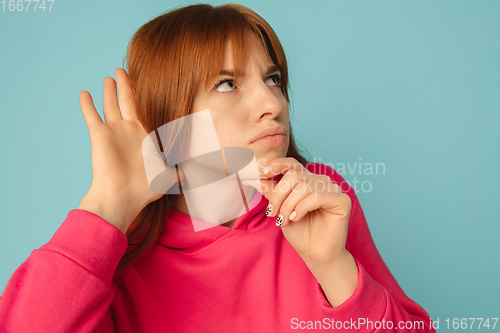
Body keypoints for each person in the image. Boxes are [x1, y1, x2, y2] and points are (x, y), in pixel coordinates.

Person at [0, 3, 435, 332]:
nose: (273, 104)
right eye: (227, 83)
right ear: (168, 118)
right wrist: (106, 204)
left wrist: (333, 268)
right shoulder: (120, 254)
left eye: (273, 79)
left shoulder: (319, 198)